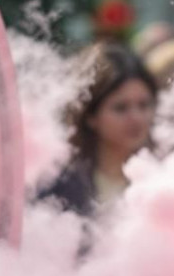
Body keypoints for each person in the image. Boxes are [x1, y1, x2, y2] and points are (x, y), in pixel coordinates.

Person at [39, 42, 158, 218]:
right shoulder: (59, 187)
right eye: (121, 108)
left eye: (143, 105)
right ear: (90, 116)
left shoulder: (163, 177)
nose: (136, 118)